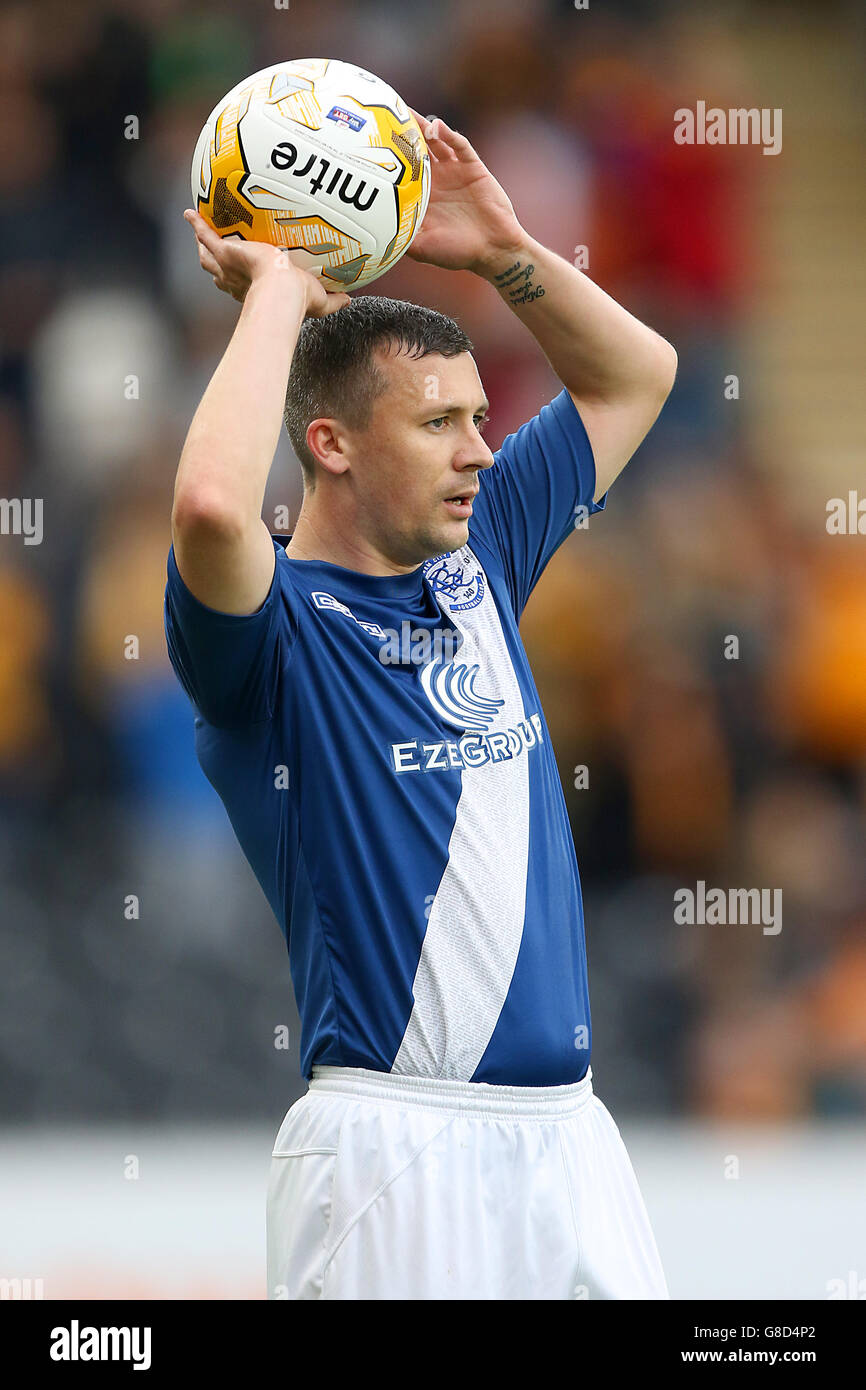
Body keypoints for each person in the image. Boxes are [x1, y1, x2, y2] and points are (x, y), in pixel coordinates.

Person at [165, 113, 677, 1300]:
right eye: (439, 423)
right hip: (391, 1149)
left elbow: (635, 372)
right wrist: (281, 296)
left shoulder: (482, 554)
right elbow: (207, 505)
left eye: (480, 419)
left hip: (570, 1139)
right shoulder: (271, 638)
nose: (481, 454)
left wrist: (503, 249)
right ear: (331, 444)